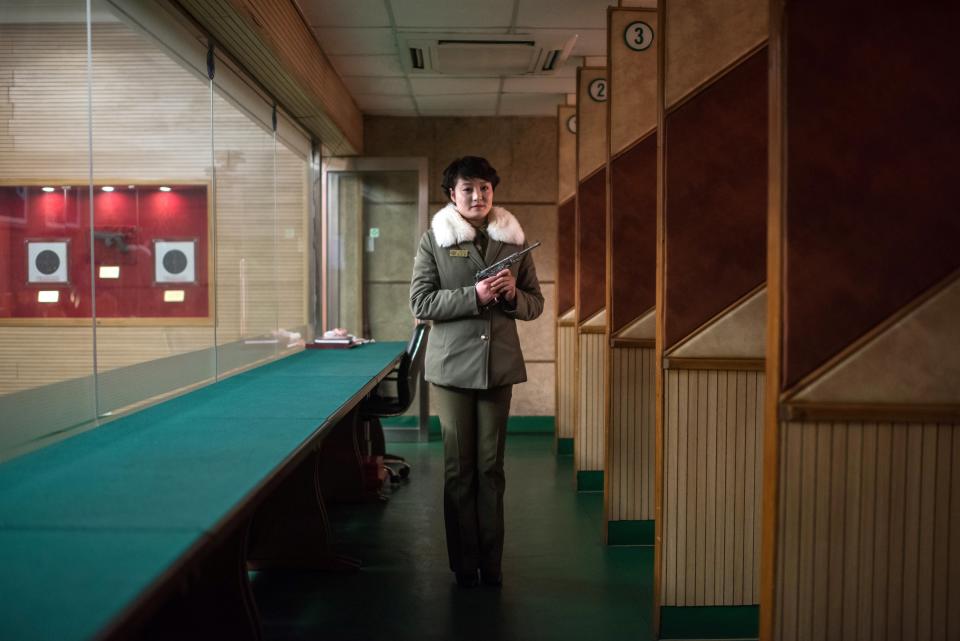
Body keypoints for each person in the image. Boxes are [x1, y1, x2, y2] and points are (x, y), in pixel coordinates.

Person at [409, 156, 544, 588]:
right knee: (458, 469)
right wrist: (475, 295)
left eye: (484, 188)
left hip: (497, 370)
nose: (477, 196)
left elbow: (534, 303)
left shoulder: (513, 242)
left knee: (491, 468)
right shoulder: (436, 240)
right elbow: (421, 304)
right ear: (452, 194)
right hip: (450, 371)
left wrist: (509, 296)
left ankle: (493, 564)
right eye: (468, 188)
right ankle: (464, 566)